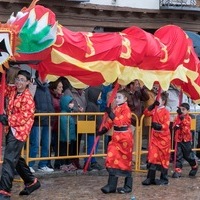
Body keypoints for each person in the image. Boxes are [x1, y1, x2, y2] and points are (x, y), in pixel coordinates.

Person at [0, 70, 40, 199]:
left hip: (19, 132)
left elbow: (23, 117)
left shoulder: (28, 98)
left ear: (28, 82)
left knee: (9, 160)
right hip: (10, 130)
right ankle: (32, 182)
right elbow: (3, 91)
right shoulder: (13, 91)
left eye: (22, 80)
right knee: (15, 159)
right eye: (18, 79)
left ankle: (4, 191)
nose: (19, 82)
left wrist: (7, 120)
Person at [97, 89, 133, 194]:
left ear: (125, 99)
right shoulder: (116, 108)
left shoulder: (126, 109)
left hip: (125, 138)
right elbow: (110, 122)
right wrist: (103, 130)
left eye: (119, 97)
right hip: (116, 137)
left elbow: (119, 121)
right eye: (116, 97)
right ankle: (111, 185)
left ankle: (128, 186)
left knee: (125, 162)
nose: (117, 99)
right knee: (111, 158)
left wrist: (110, 113)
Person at [142, 92, 171, 186]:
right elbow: (146, 113)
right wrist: (152, 105)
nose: (156, 101)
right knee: (152, 156)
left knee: (163, 158)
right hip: (155, 137)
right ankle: (150, 178)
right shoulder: (154, 109)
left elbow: (166, 125)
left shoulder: (166, 111)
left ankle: (164, 178)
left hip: (164, 138)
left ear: (163, 101)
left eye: (157, 99)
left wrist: (159, 126)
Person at [29, 71, 55, 173]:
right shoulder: (33, 87)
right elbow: (31, 103)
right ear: (39, 75)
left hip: (47, 120)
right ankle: (30, 164)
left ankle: (43, 164)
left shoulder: (47, 89)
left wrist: (51, 115)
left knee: (46, 144)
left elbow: (51, 104)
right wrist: (39, 113)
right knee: (35, 143)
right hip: (37, 121)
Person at [172, 103, 198, 178]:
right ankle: (178, 170)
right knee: (178, 155)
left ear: (188, 111)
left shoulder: (188, 118)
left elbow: (186, 129)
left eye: (184, 109)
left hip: (186, 140)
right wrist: (175, 127)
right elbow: (174, 125)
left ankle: (194, 165)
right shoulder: (177, 117)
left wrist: (182, 118)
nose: (182, 111)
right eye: (181, 109)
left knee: (188, 155)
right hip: (178, 139)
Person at [64, 86, 87, 169]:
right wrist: (77, 109)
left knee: (78, 142)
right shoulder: (69, 91)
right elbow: (67, 105)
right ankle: (70, 160)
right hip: (72, 120)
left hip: (81, 120)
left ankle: (76, 160)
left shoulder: (83, 93)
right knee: (72, 142)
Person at [84, 86, 104, 171]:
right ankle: (89, 162)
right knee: (91, 146)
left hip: (96, 130)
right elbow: (89, 118)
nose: (100, 97)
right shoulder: (91, 106)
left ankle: (93, 161)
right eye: (99, 95)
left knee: (94, 147)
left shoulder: (95, 105)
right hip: (92, 130)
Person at [58, 95, 77, 172]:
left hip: (70, 137)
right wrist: (67, 138)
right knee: (64, 151)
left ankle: (68, 163)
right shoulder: (63, 114)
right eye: (70, 103)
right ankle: (63, 164)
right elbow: (64, 128)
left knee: (69, 151)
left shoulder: (69, 113)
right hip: (65, 138)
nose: (72, 104)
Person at [48, 78, 63, 169]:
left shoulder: (61, 97)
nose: (61, 89)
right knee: (49, 145)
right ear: (54, 88)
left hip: (59, 125)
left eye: (62, 87)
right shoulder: (51, 97)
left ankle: (58, 163)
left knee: (58, 145)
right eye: (59, 87)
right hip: (52, 124)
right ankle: (47, 162)